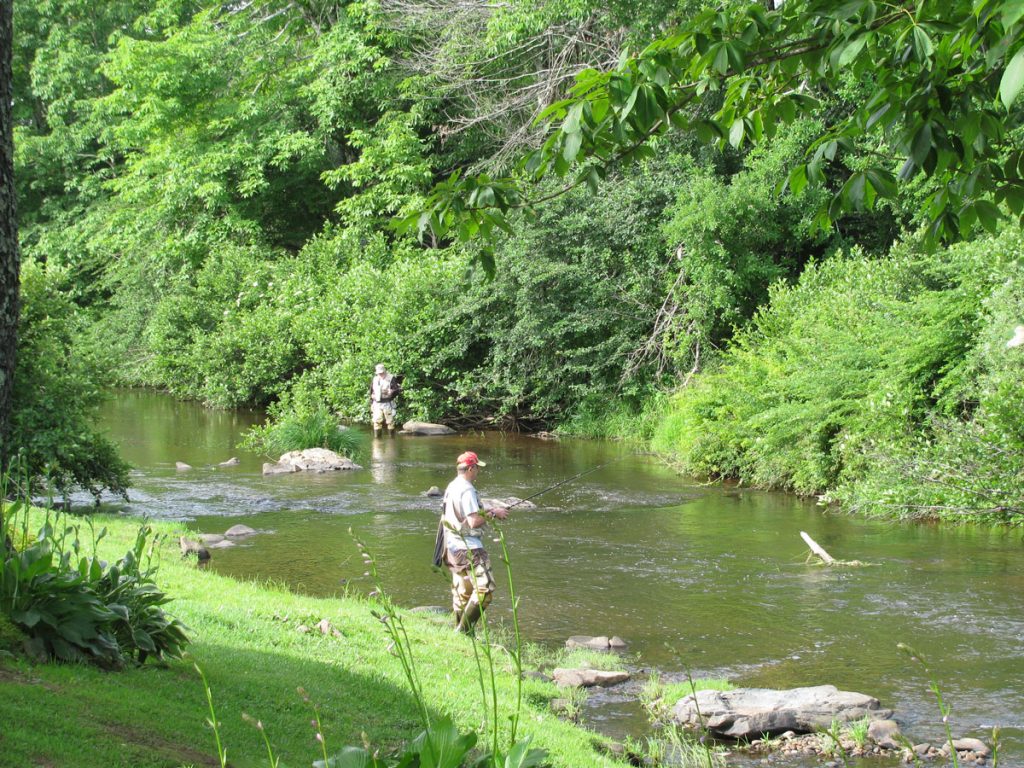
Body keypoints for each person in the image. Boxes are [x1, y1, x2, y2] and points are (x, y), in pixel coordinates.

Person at [441, 451, 509, 632]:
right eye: (477, 468)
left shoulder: (452, 486)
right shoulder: (467, 489)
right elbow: (472, 521)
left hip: (452, 547)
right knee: (485, 590)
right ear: (470, 468)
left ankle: (459, 630)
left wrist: (488, 509)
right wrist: (494, 513)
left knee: (463, 592)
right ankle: (463, 632)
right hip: (469, 547)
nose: (478, 471)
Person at [368, 363, 401, 437]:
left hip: (388, 403)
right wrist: (371, 402)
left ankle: (391, 440)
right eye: (379, 373)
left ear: (384, 371)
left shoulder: (391, 378)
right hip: (377, 403)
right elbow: (371, 391)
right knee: (377, 421)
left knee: (390, 422)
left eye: (382, 373)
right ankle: (377, 440)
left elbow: (397, 389)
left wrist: (392, 391)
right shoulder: (375, 379)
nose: (380, 374)